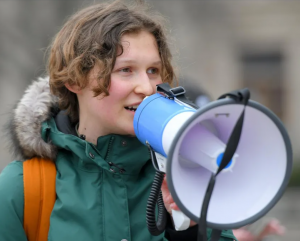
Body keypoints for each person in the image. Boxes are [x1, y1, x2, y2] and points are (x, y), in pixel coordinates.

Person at [0, 1, 236, 241]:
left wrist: (191, 227)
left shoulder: (187, 177)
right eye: (125, 70)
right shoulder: (23, 189)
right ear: (74, 79)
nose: (146, 87)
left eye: (153, 70)